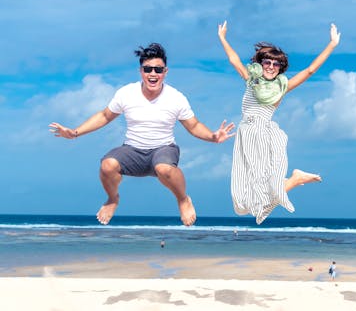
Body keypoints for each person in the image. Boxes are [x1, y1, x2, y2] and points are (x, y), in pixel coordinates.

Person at [49, 43, 235, 226]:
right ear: (141, 71)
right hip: (132, 151)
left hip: (163, 149)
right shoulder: (126, 93)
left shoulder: (176, 98)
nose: (153, 74)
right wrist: (74, 133)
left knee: (164, 168)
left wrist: (212, 136)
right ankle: (113, 199)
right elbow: (105, 116)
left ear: (165, 72)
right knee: (107, 165)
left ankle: (183, 199)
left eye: (158, 69)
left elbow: (193, 125)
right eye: (148, 69)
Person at [218, 21, 340, 224]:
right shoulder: (252, 79)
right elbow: (234, 60)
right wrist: (222, 38)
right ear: (261, 63)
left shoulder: (282, 87)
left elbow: (310, 70)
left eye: (276, 64)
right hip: (245, 134)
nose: (271, 67)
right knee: (241, 203)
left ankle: (295, 179)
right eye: (267, 62)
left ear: (280, 68)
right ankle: (295, 179)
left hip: (263, 134)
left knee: (260, 193)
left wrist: (332, 45)